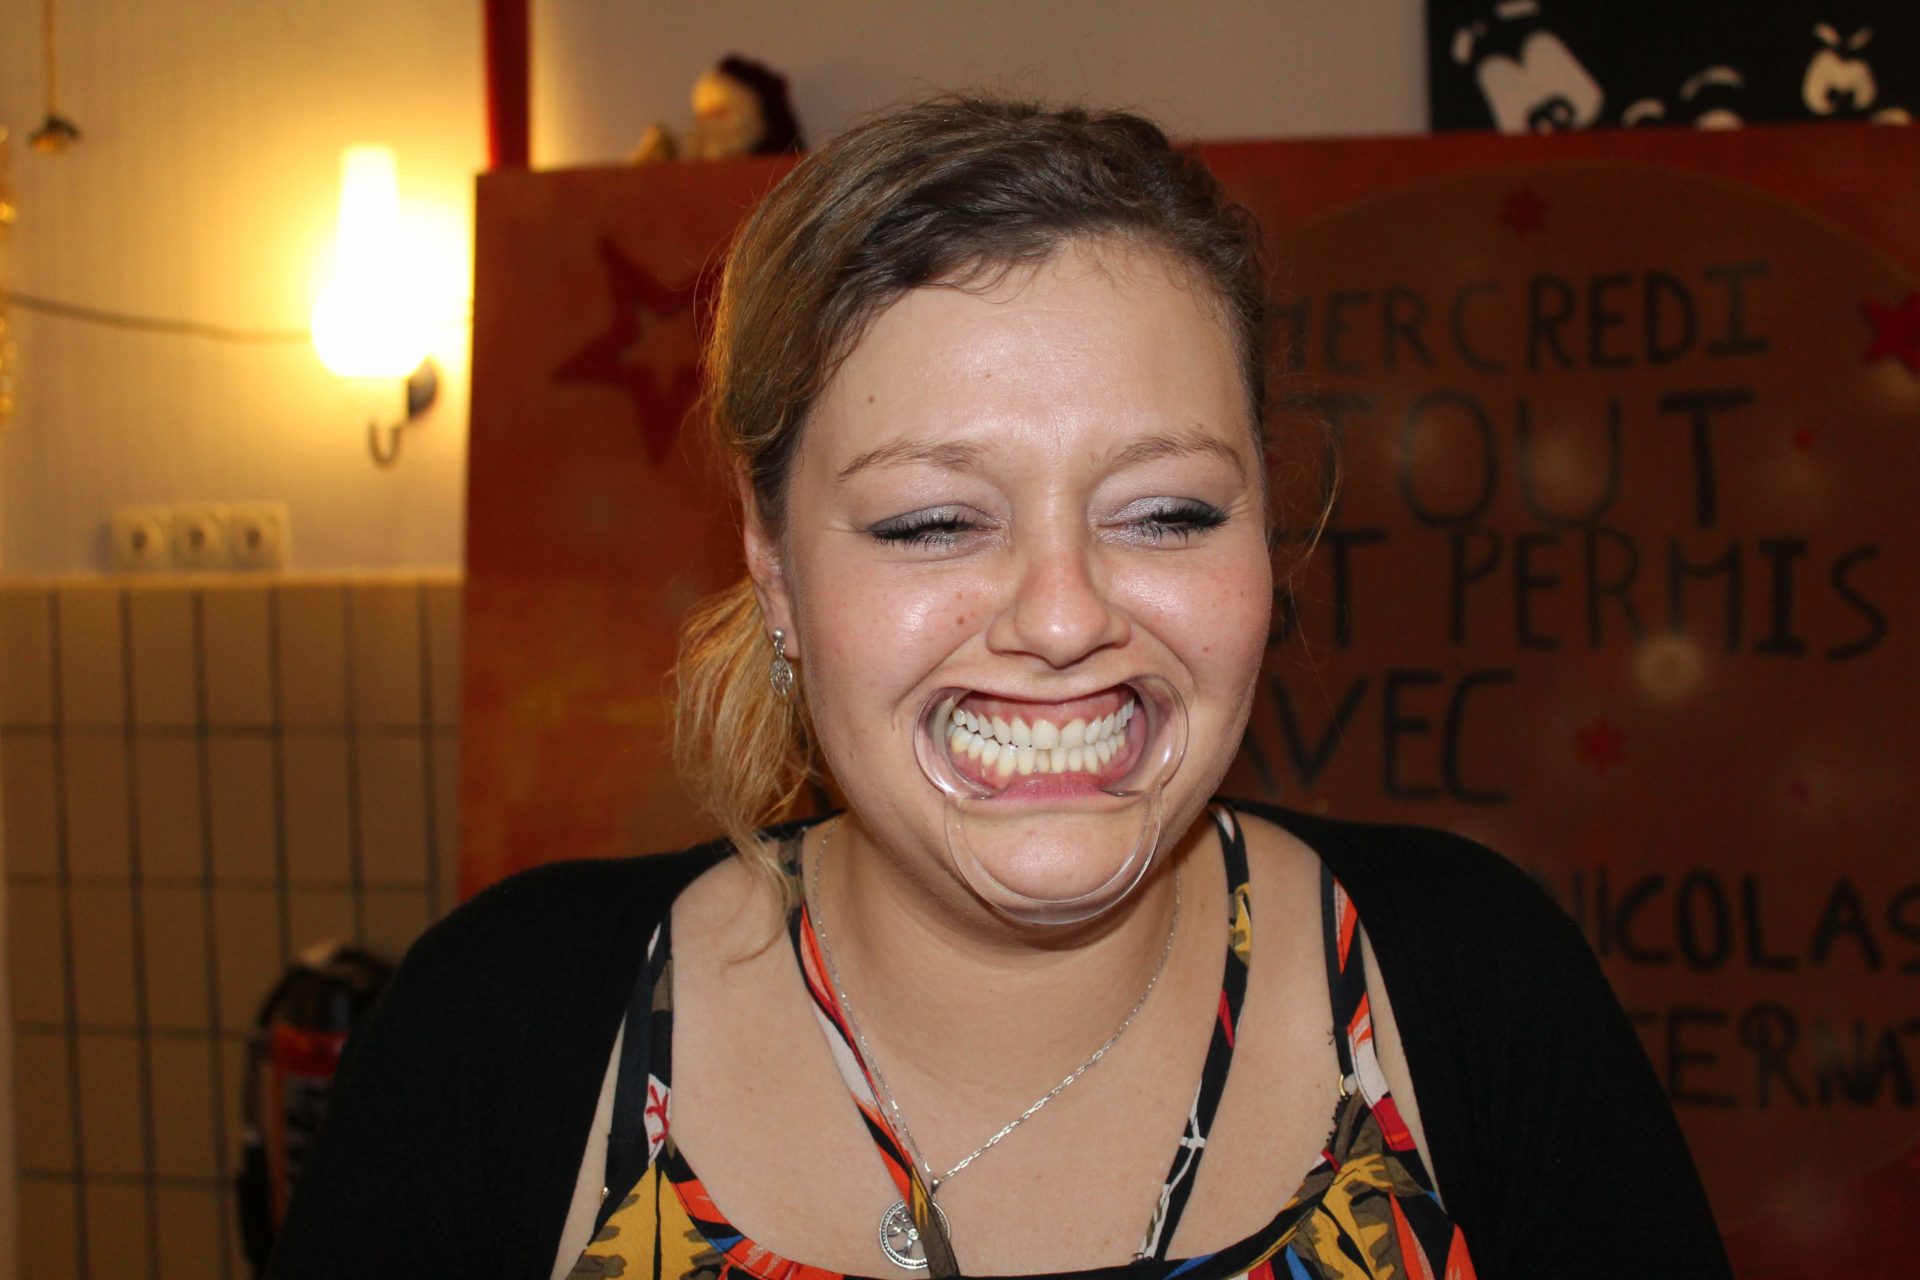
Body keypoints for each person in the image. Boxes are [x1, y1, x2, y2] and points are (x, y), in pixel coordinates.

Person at [271, 98, 1731, 1279]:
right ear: (774, 568)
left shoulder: (1475, 993)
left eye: (1166, 512)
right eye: (931, 522)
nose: (1063, 614)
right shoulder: (500, 1035)